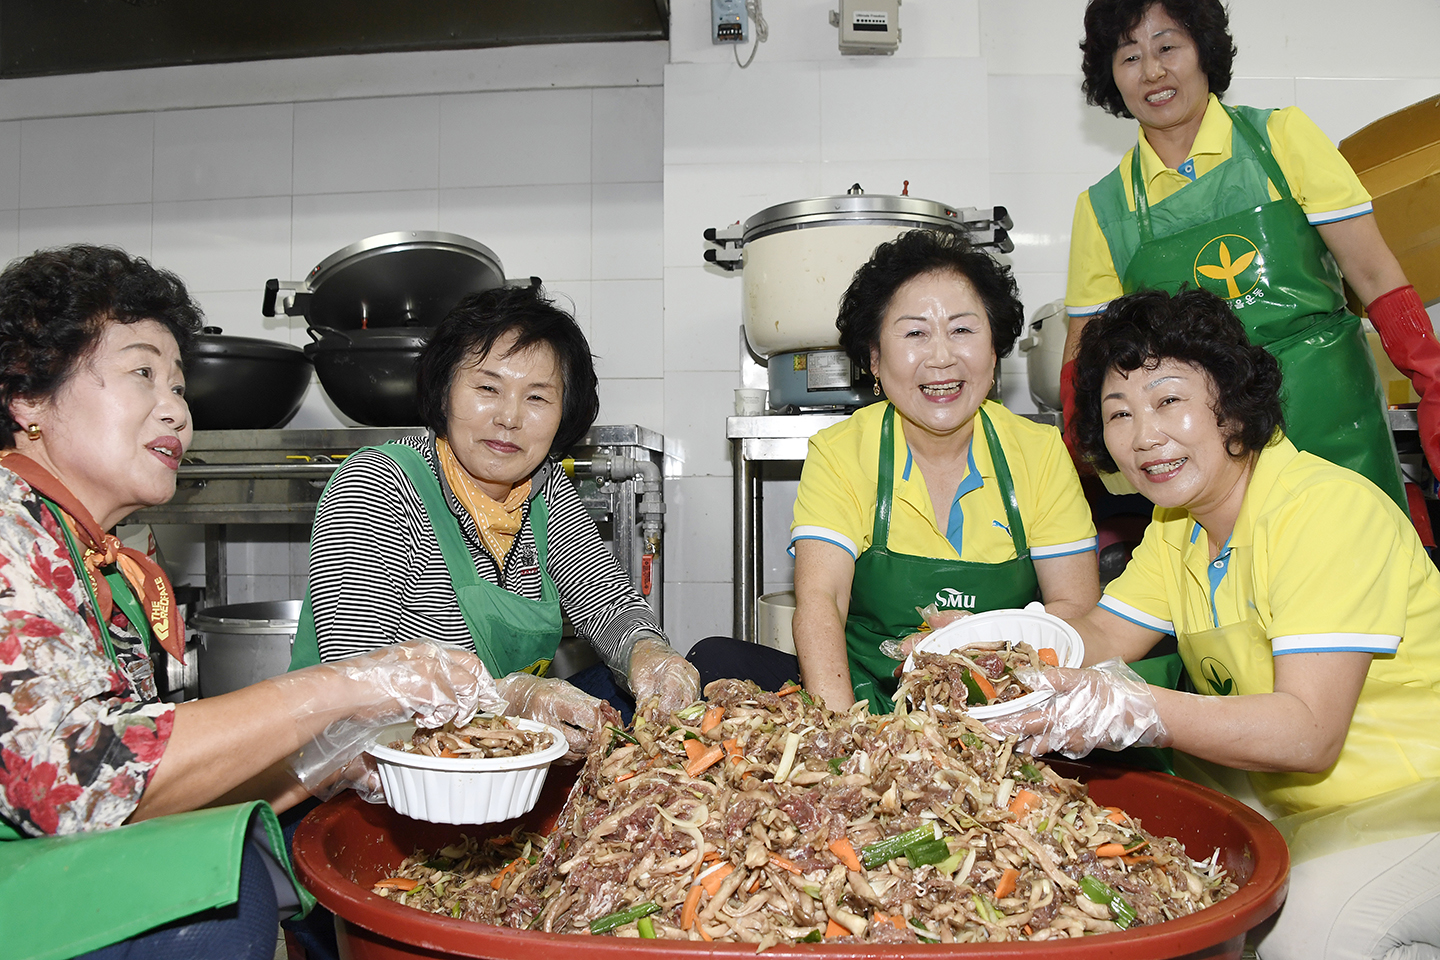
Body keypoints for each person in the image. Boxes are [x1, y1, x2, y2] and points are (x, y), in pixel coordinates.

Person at [0, 245, 498, 960]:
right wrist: (350, 684)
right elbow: (79, 782)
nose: (175, 409)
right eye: (142, 373)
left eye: (179, 387)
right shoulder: (8, 524)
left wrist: (328, 757)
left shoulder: (100, 558)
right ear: (29, 398)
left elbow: (148, 786)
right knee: (219, 906)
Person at [988, 288, 1440, 960]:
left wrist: (1133, 706)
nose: (1145, 436)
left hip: (1414, 803)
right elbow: (1107, 635)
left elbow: (1311, 733)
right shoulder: (1179, 527)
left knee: (1304, 933)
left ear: (1232, 400)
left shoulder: (1323, 511)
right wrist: (1000, 648)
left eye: (1169, 400)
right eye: (1119, 413)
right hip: (1299, 810)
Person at [1061, 0, 1440, 514]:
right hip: (1206, 449)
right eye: (1129, 58)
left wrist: (1430, 373)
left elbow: (1373, 273)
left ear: (1203, 51)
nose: (1152, 71)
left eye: (1168, 46)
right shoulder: (1103, 208)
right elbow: (1085, 353)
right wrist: (1080, 447)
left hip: (1331, 416)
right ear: (1111, 77)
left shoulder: (1283, 139)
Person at [292, 283, 700, 749]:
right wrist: (514, 699)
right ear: (445, 390)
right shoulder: (379, 483)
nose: (509, 418)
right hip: (352, 768)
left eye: (537, 398)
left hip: (490, 764)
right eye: (488, 387)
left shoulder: (546, 490)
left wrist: (645, 651)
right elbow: (370, 675)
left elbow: (606, 603)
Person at [727, 229, 1101, 713]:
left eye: (963, 330)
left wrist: (991, 659)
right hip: (868, 701)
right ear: (875, 360)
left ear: (994, 353)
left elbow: (1075, 614)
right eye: (914, 333)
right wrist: (846, 742)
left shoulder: (1040, 452)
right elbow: (821, 603)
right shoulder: (841, 452)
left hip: (1007, 709)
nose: (941, 357)